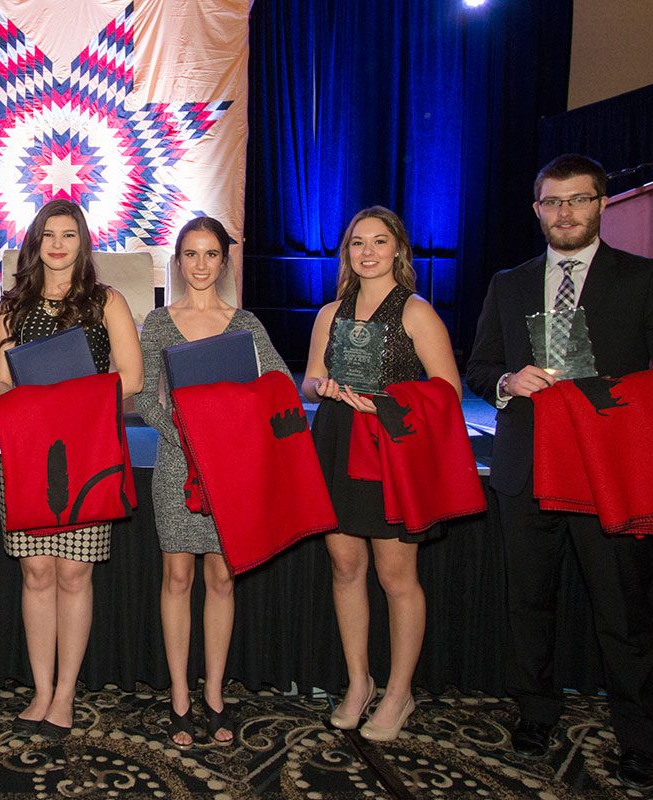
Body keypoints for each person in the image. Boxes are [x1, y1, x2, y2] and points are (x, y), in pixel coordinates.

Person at [466, 154, 653, 790]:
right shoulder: (510, 283)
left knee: (622, 610)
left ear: (602, 204)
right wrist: (506, 382)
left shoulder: (641, 280)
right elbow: (479, 365)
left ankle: (639, 735)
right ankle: (536, 713)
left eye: (578, 200)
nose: (565, 212)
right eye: (553, 201)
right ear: (537, 209)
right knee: (529, 602)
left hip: (605, 472)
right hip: (529, 466)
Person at [301, 206, 460, 742]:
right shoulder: (330, 312)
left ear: (398, 250)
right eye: (357, 243)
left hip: (390, 448)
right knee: (345, 566)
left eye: (378, 241)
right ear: (346, 253)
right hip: (336, 440)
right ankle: (358, 682)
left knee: (396, 577)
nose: (367, 252)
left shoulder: (416, 311)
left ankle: (399, 692)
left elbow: (448, 389)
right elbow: (309, 380)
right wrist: (321, 387)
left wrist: (388, 401)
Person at [0, 198, 142, 739]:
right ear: (35, 241)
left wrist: (70, 399)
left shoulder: (106, 301)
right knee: (36, 572)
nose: (58, 244)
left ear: (83, 242)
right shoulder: (12, 305)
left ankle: (66, 694)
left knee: (74, 574)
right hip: (27, 450)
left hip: (86, 450)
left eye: (69, 234)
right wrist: (13, 398)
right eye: (48, 234)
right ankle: (41, 689)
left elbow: (133, 379)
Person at [135, 216, 289, 748]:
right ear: (178, 262)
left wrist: (236, 428)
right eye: (191, 254)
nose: (200, 265)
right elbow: (143, 396)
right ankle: (180, 695)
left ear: (225, 261)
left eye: (210, 254)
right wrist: (180, 434)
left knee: (222, 579)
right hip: (178, 467)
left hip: (229, 471)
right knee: (177, 578)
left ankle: (215, 693)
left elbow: (279, 383)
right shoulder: (159, 322)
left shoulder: (244, 324)